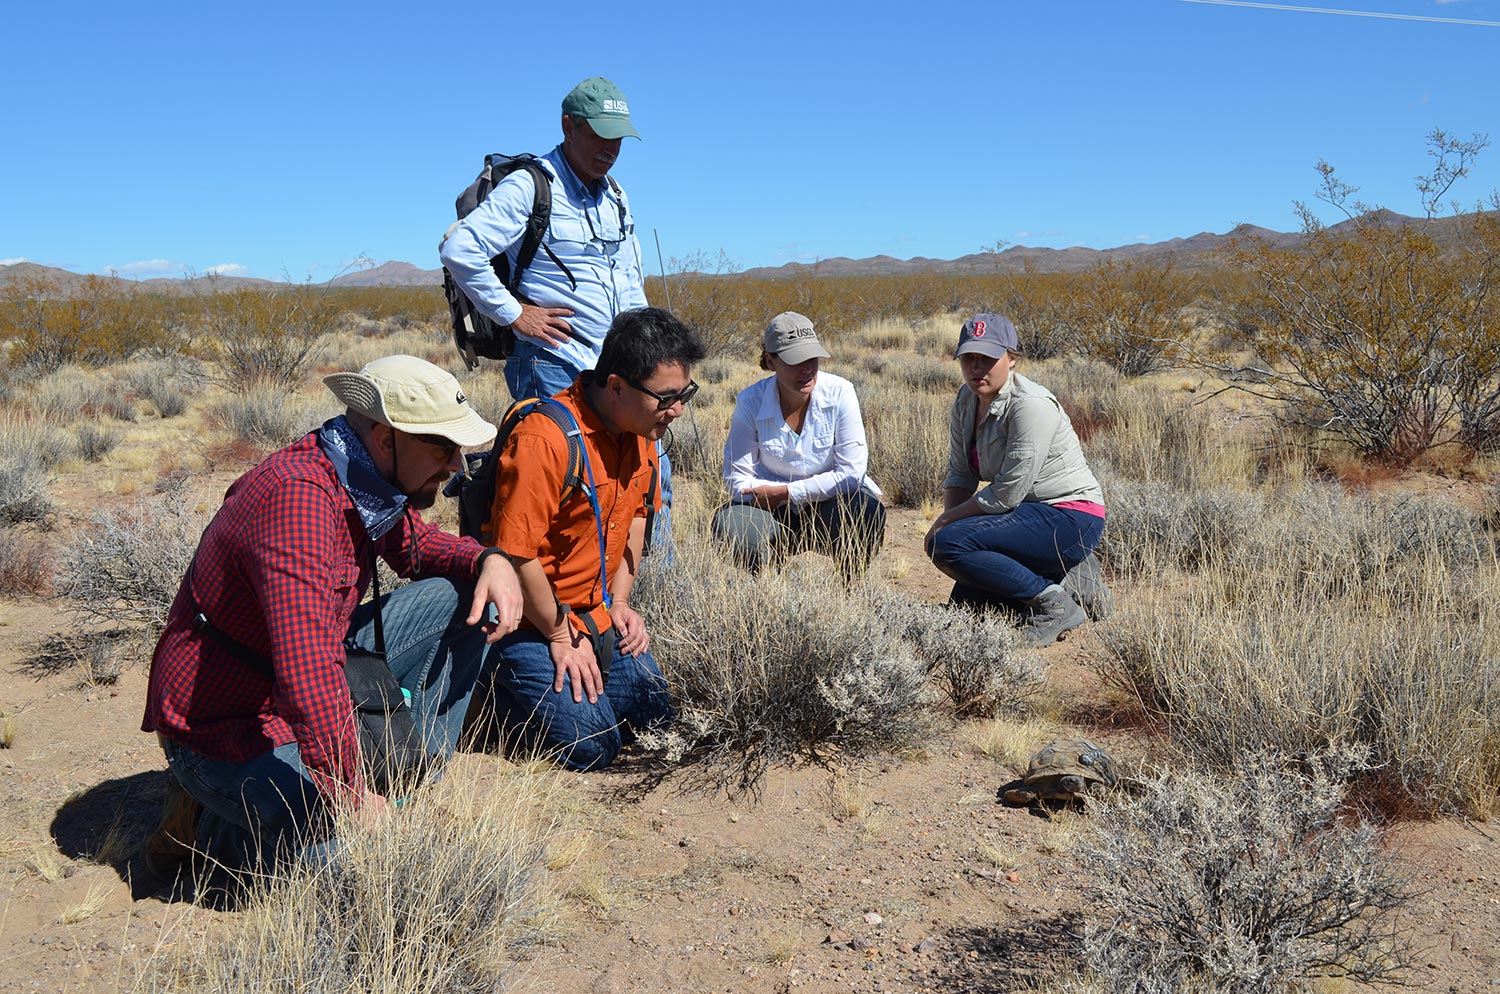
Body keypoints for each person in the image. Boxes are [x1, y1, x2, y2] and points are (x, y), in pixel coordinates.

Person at [141, 355, 524, 883]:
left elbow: (414, 547)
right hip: (227, 725)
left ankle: (405, 775)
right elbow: (307, 675)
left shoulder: (360, 475)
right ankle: (210, 825)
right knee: (354, 864)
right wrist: (350, 795)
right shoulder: (299, 503)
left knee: (467, 594)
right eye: (442, 446)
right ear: (386, 437)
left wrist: (488, 559)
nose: (456, 464)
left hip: (301, 679)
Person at [439, 75, 677, 548]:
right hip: (553, 362)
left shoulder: (616, 195)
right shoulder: (531, 187)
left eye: (617, 139)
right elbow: (460, 248)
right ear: (568, 125)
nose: (608, 148)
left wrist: (650, 350)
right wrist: (514, 314)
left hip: (618, 369)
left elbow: (629, 275)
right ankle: (555, 598)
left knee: (648, 473)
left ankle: (646, 591)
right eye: (598, 134)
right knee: (569, 484)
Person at [475, 307, 705, 771]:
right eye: (666, 398)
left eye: (684, 395)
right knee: (594, 747)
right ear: (616, 385)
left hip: (596, 613)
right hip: (531, 623)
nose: (677, 410)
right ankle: (486, 688)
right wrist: (560, 633)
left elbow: (639, 517)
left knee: (657, 721)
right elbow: (515, 555)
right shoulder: (547, 438)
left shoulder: (642, 431)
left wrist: (619, 603)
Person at [923, 314, 1109, 645]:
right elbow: (960, 472)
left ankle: (1054, 606)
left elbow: (1007, 493)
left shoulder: (1030, 405)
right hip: (1025, 516)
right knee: (967, 604)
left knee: (946, 545)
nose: (977, 368)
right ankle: (1070, 575)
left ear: (1011, 359)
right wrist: (953, 529)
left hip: (1071, 516)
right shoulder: (966, 401)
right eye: (969, 358)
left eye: (988, 358)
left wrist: (948, 524)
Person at [712, 311, 886, 578]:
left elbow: (852, 475)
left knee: (865, 512)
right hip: (769, 510)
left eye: (812, 358)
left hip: (830, 505)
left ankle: (850, 590)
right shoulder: (750, 402)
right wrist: (777, 497)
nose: (807, 368)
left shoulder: (841, 392)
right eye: (795, 361)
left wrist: (786, 492)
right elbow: (736, 480)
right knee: (733, 526)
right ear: (771, 361)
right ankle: (767, 589)